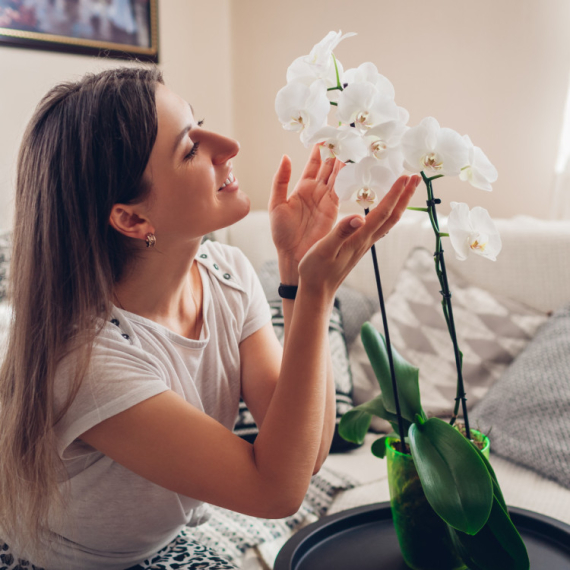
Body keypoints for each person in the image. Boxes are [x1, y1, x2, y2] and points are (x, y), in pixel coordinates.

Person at [0, 66, 420, 570]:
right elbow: (275, 492)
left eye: (201, 124)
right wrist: (314, 293)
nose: (228, 145)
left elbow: (305, 458)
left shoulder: (226, 274)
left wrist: (296, 279)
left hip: (160, 547)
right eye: (190, 148)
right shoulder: (89, 364)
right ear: (133, 219)